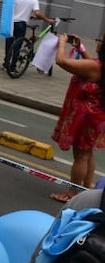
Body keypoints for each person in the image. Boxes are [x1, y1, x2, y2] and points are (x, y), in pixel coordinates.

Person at [49, 33, 105, 202]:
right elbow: (92, 64)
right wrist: (80, 48)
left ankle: (73, 193)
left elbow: (61, 61)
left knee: (80, 156)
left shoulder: (94, 67)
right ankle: (87, 187)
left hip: (86, 117)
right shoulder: (99, 66)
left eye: (100, 40)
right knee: (88, 153)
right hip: (98, 116)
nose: (98, 43)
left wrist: (62, 43)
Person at [4, 0, 54, 72]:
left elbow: (11, 9)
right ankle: (12, 67)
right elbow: (37, 13)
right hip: (21, 24)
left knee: (9, 43)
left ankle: (5, 64)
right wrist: (47, 20)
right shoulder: (34, 0)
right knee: (17, 46)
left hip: (11, 22)